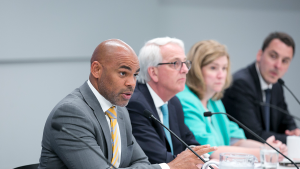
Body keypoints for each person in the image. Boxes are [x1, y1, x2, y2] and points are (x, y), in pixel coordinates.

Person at [38, 39, 216, 169]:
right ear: (96, 70)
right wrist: (171, 167)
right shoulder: (71, 113)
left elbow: (141, 162)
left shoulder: (119, 110)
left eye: (135, 75)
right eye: (123, 73)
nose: (132, 82)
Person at [176, 40, 287, 160]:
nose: (221, 75)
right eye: (213, 68)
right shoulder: (185, 100)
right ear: (197, 69)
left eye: (224, 68)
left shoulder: (214, 101)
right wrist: (264, 153)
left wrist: (268, 148)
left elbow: (237, 141)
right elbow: (210, 152)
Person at [126, 37, 213, 164]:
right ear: (153, 72)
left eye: (185, 63)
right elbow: (158, 158)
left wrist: (202, 158)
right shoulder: (135, 105)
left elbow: (190, 142)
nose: (185, 70)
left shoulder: (174, 102)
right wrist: (197, 163)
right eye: (175, 63)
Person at [222, 32, 299, 144]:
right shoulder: (241, 84)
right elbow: (254, 135)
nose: (278, 65)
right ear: (259, 55)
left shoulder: (277, 85)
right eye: (273, 56)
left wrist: (294, 132)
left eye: (285, 61)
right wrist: (293, 140)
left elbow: (287, 122)